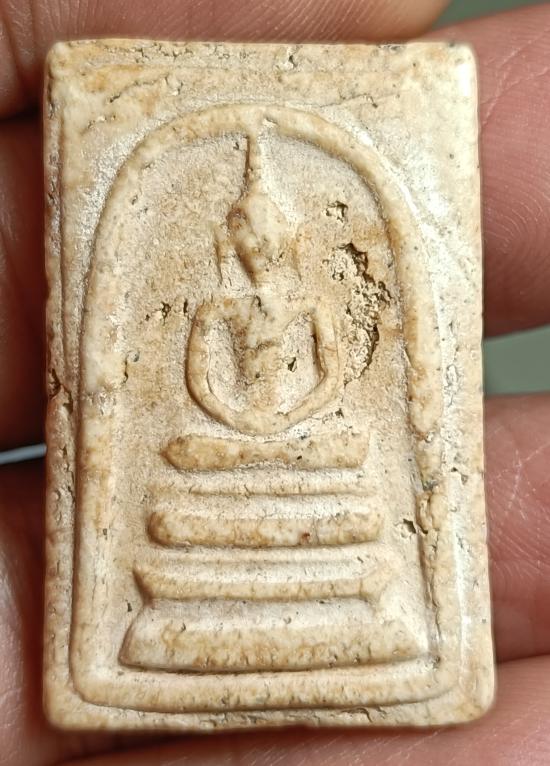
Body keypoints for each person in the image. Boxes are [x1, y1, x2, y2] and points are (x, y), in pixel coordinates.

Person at [0, 1, 549, 764]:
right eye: (247, 240)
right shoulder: (217, 306)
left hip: (300, 432)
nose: (259, 251)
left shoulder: (309, 305)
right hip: (225, 436)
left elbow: (331, 378)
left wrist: (289, 420)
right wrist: (238, 421)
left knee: (344, 448)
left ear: (285, 241)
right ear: (232, 242)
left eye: (269, 239)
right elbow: (200, 379)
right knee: (189, 456)